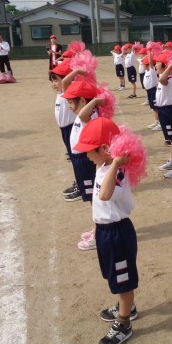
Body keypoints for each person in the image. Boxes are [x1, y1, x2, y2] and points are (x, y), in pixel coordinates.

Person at [73, 117, 139, 344]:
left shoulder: (117, 172)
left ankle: (124, 323)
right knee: (114, 274)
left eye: (89, 150)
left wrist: (117, 162)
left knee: (123, 279)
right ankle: (127, 306)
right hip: (105, 232)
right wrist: (112, 160)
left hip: (118, 233)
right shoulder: (104, 166)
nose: (86, 155)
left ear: (103, 149)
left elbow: (104, 195)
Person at [62, 80, 101, 250]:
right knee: (91, 198)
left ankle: (98, 234)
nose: (69, 107)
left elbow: (84, 113)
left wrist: (95, 100)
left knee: (94, 199)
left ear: (84, 102)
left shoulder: (88, 115)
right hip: (80, 161)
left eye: (71, 102)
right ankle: (97, 228)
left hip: (86, 162)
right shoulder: (83, 115)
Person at [153, 51, 172, 179]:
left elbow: (162, 79)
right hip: (163, 111)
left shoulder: (168, 79)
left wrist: (170, 66)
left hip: (169, 112)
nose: (155, 65)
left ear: (165, 65)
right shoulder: (164, 77)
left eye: (158, 63)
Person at [49, 62, 78, 196]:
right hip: (65, 131)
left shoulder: (68, 92)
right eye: (52, 81)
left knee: (76, 159)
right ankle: (79, 182)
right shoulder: (60, 93)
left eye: (56, 80)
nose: (53, 83)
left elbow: (66, 81)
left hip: (71, 130)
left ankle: (81, 186)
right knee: (73, 158)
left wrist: (77, 71)